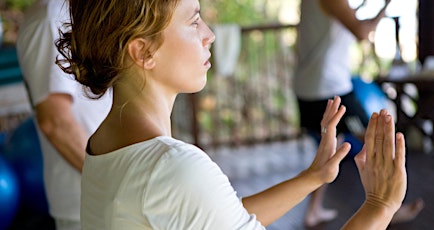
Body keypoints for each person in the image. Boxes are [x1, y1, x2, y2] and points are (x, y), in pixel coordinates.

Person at [56, 0, 407, 229]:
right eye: (194, 22)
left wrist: (313, 176)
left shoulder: (103, 143)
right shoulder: (173, 168)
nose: (208, 35)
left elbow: (221, 218)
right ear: (143, 51)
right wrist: (379, 206)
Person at [293, 0, 424, 227]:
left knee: (329, 149)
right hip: (329, 88)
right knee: (377, 139)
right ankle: (388, 209)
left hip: (309, 86)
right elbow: (362, 32)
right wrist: (385, 7)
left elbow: (345, 19)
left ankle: (313, 210)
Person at [16, 0, 112, 229]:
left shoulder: (80, 11)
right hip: (90, 203)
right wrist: (113, 182)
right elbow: (55, 121)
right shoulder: (50, 17)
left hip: (107, 197)